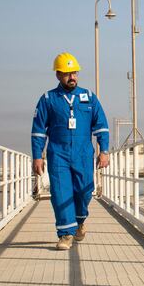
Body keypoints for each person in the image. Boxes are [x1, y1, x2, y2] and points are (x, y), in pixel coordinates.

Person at [31, 52, 110, 250]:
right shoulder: (48, 99)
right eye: (67, 73)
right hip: (58, 153)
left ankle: (80, 221)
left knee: (84, 192)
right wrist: (37, 156)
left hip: (83, 153)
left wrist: (104, 151)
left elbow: (101, 125)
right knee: (60, 192)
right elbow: (38, 131)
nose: (72, 77)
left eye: (74, 72)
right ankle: (66, 234)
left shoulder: (89, 97)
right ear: (58, 74)